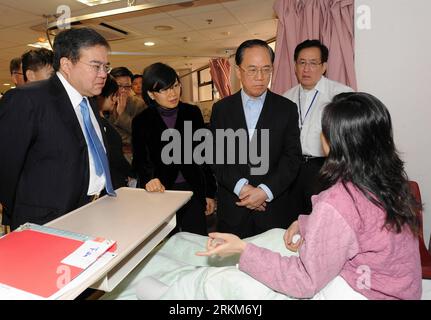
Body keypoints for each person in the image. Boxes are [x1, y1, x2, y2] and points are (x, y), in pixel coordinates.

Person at [103, 92, 421, 300]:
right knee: (272, 236)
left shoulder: (340, 201)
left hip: (361, 291)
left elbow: (305, 282)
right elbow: (358, 230)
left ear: (334, 140)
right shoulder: (386, 179)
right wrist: (307, 223)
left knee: (226, 283)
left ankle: (165, 291)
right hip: (391, 285)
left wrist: (243, 251)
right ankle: (183, 263)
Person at [0, 27, 116, 230]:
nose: (103, 74)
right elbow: (5, 168)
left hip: (94, 211)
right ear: (66, 64)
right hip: (46, 222)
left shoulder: (88, 102)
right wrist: (26, 212)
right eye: (95, 66)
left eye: (106, 67)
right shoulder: (28, 100)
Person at [210, 39, 302, 238]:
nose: (260, 77)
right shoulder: (222, 109)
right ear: (238, 71)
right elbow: (217, 157)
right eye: (252, 70)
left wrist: (264, 192)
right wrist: (244, 189)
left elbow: (292, 158)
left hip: (273, 209)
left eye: (266, 69)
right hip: (234, 208)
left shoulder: (286, 108)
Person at [132, 62, 216, 236]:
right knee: (167, 243)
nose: (173, 93)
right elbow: (141, 159)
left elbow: (204, 156)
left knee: (197, 240)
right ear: (151, 94)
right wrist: (149, 179)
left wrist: (209, 193)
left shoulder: (192, 113)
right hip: (161, 191)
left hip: (192, 188)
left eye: (176, 86)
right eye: (164, 90)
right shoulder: (141, 120)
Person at [283, 39, 354, 221]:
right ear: (295, 66)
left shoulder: (340, 94)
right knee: (292, 220)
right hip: (292, 168)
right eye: (302, 62)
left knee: (321, 221)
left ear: (324, 66)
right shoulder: (286, 98)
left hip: (325, 167)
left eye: (313, 63)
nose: (306, 69)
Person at [96, 75, 135, 189]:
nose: (115, 99)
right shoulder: (99, 123)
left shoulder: (137, 105)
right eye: (113, 96)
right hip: (113, 181)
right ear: (100, 96)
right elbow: (115, 158)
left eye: (127, 87)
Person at [108, 67, 146, 163]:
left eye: (127, 86)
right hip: (108, 154)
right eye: (119, 86)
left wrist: (122, 114)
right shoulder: (103, 101)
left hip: (130, 155)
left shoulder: (138, 104)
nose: (123, 90)